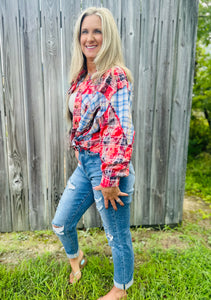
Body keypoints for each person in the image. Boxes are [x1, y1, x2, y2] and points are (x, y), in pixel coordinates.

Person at [52, 7, 135, 300]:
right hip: (86, 165)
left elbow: (120, 128)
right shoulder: (82, 77)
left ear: (108, 35)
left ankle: (121, 289)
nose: (90, 37)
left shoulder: (115, 76)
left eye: (97, 31)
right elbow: (79, 120)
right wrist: (79, 150)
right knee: (61, 223)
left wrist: (111, 178)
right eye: (84, 31)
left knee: (116, 234)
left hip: (108, 169)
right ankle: (78, 260)